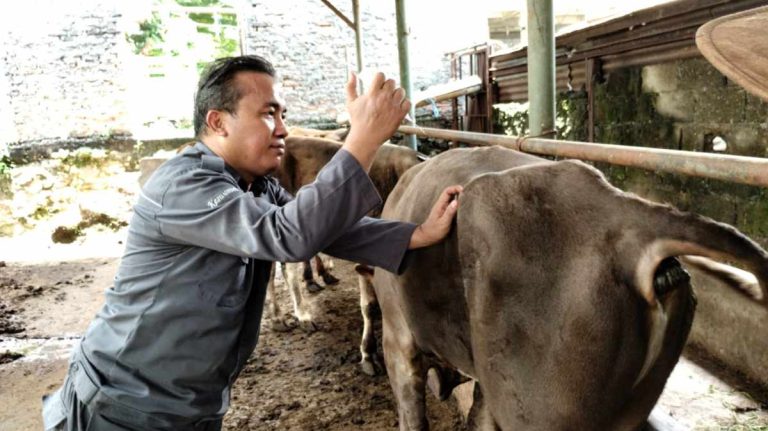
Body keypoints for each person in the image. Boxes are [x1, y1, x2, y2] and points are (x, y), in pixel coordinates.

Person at [41, 55, 462, 430]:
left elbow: (319, 227)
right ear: (218, 122)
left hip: (190, 405)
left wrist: (414, 234)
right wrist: (363, 140)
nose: (282, 129)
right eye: (268, 114)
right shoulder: (183, 183)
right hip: (122, 405)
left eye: (282, 115)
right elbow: (288, 236)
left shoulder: (255, 187)